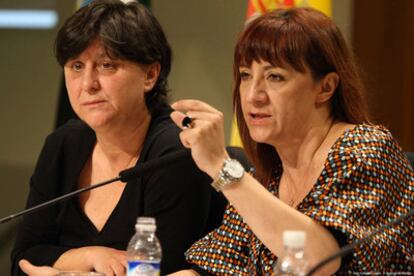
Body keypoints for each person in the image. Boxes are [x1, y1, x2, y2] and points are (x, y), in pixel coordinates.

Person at [169, 7, 414, 275]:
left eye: (275, 77)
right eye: (246, 75)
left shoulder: (367, 150)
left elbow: (318, 260)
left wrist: (220, 166)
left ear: (325, 88)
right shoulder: (267, 177)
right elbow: (213, 269)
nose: (253, 95)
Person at [10, 1, 226, 275]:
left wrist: (61, 268)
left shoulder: (175, 152)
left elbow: (162, 270)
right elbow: (22, 258)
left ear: (150, 75)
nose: (88, 83)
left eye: (106, 65)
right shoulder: (63, 144)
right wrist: (89, 256)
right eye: (76, 66)